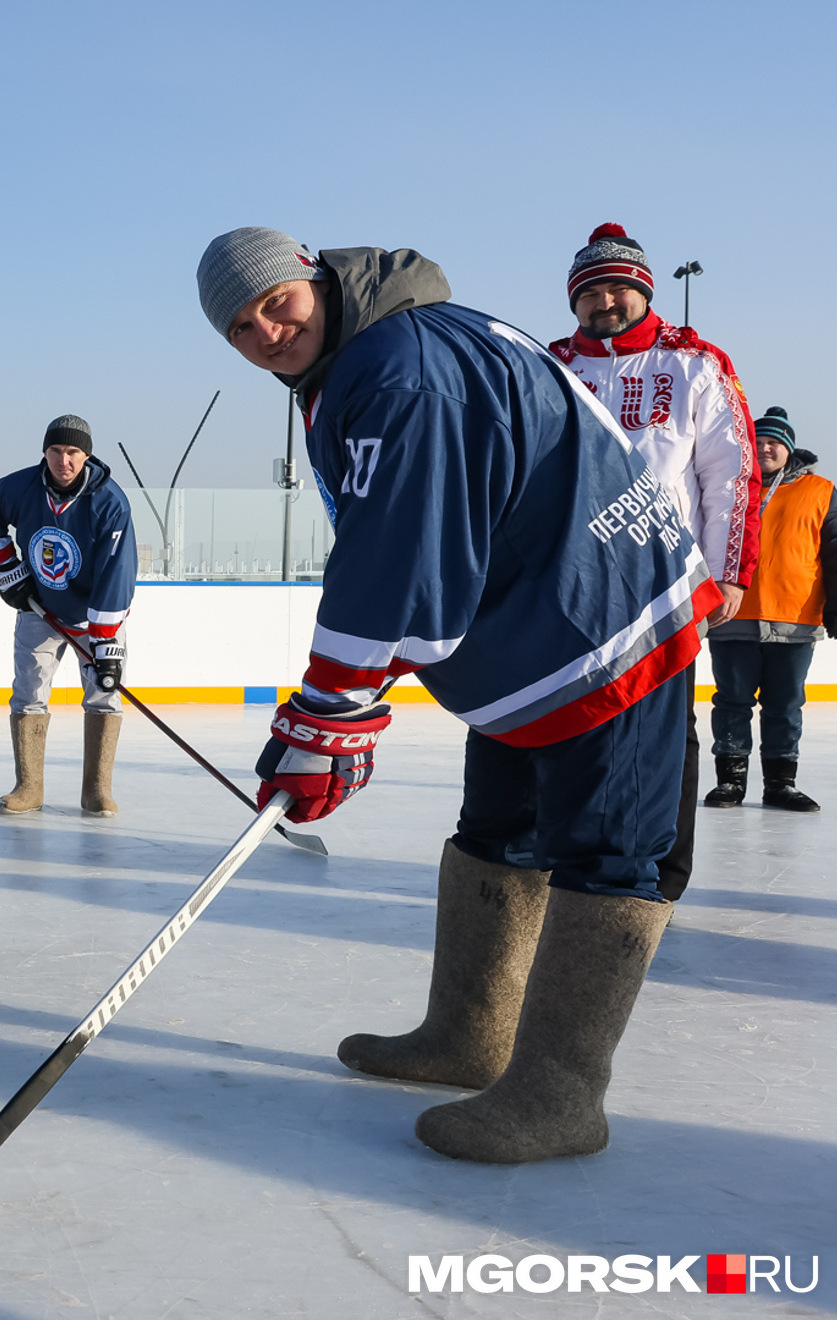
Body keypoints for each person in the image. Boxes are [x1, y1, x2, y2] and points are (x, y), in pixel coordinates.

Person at [197, 227, 718, 1164]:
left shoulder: (401, 369)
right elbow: (418, 540)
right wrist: (343, 700)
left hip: (607, 624)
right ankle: (468, 1036)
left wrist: (334, 710)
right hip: (525, 625)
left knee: (604, 853)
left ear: (312, 275)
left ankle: (562, 1096)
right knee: (498, 827)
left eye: (276, 302)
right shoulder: (370, 355)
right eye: (241, 328)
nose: (267, 330)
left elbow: (403, 553)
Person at [548, 223, 759, 900]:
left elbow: (730, 477)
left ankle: (661, 873)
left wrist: (729, 571)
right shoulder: (550, 366)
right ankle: (567, 854)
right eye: (591, 292)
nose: (604, 302)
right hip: (568, 584)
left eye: (617, 288)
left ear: (642, 292)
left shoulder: (695, 364)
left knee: (664, 728)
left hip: (664, 583)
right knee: (571, 719)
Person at [0, 414, 137, 816]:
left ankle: (96, 790)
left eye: (73, 452)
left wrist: (106, 638)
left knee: (104, 693)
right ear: (45, 452)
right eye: (56, 451)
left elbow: (119, 570)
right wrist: (9, 569)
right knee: (28, 691)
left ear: (87, 456)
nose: (64, 460)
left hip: (94, 616)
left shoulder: (109, 502)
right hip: (38, 609)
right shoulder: (23, 487)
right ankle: (28, 787)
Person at [704, 407, 831, 812]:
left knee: (785, 705)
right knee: (732, 702)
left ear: (789, 448)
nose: (764, 447)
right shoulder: (729, 488)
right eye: (757, 441)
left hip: (794, 618)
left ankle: (781, 784)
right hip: (732, 616)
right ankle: (730, 782)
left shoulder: (821, 490)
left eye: (773, 441)